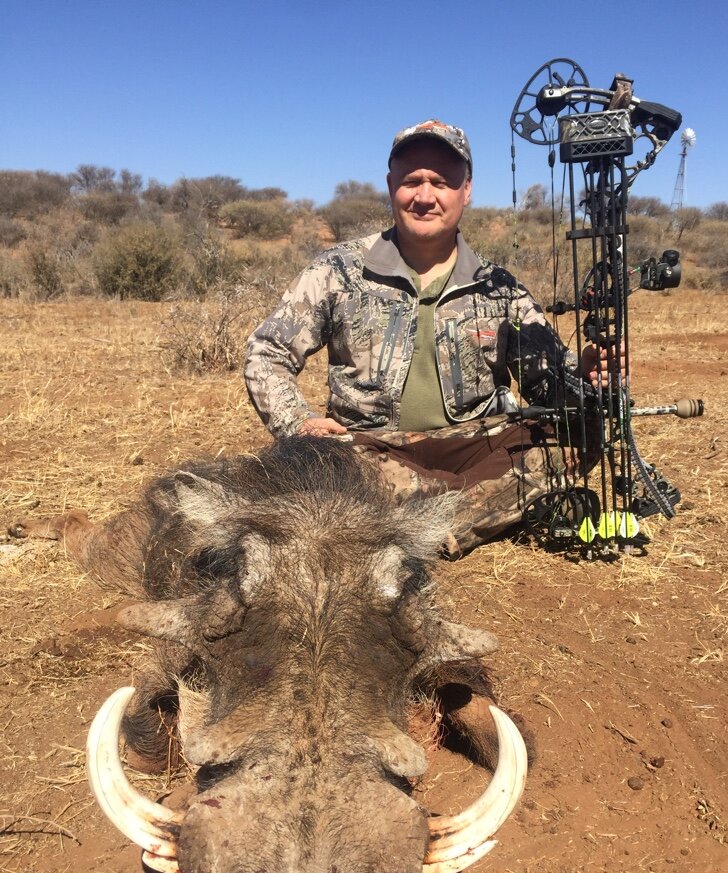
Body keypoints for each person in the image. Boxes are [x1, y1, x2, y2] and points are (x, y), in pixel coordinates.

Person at [245, 119, 609, 558]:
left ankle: (407, 519)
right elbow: (267, 353)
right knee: (329, 462)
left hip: (475, 446)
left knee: (574, 435)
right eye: (411, 180)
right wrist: (298, 424)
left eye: (440, 181)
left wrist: (586, 377)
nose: (424, 196)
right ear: (390, 185)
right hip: (370, 449)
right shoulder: (338, 270)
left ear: (466, 190)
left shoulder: (500, 286)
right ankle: (466, 514)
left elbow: (547, 385)